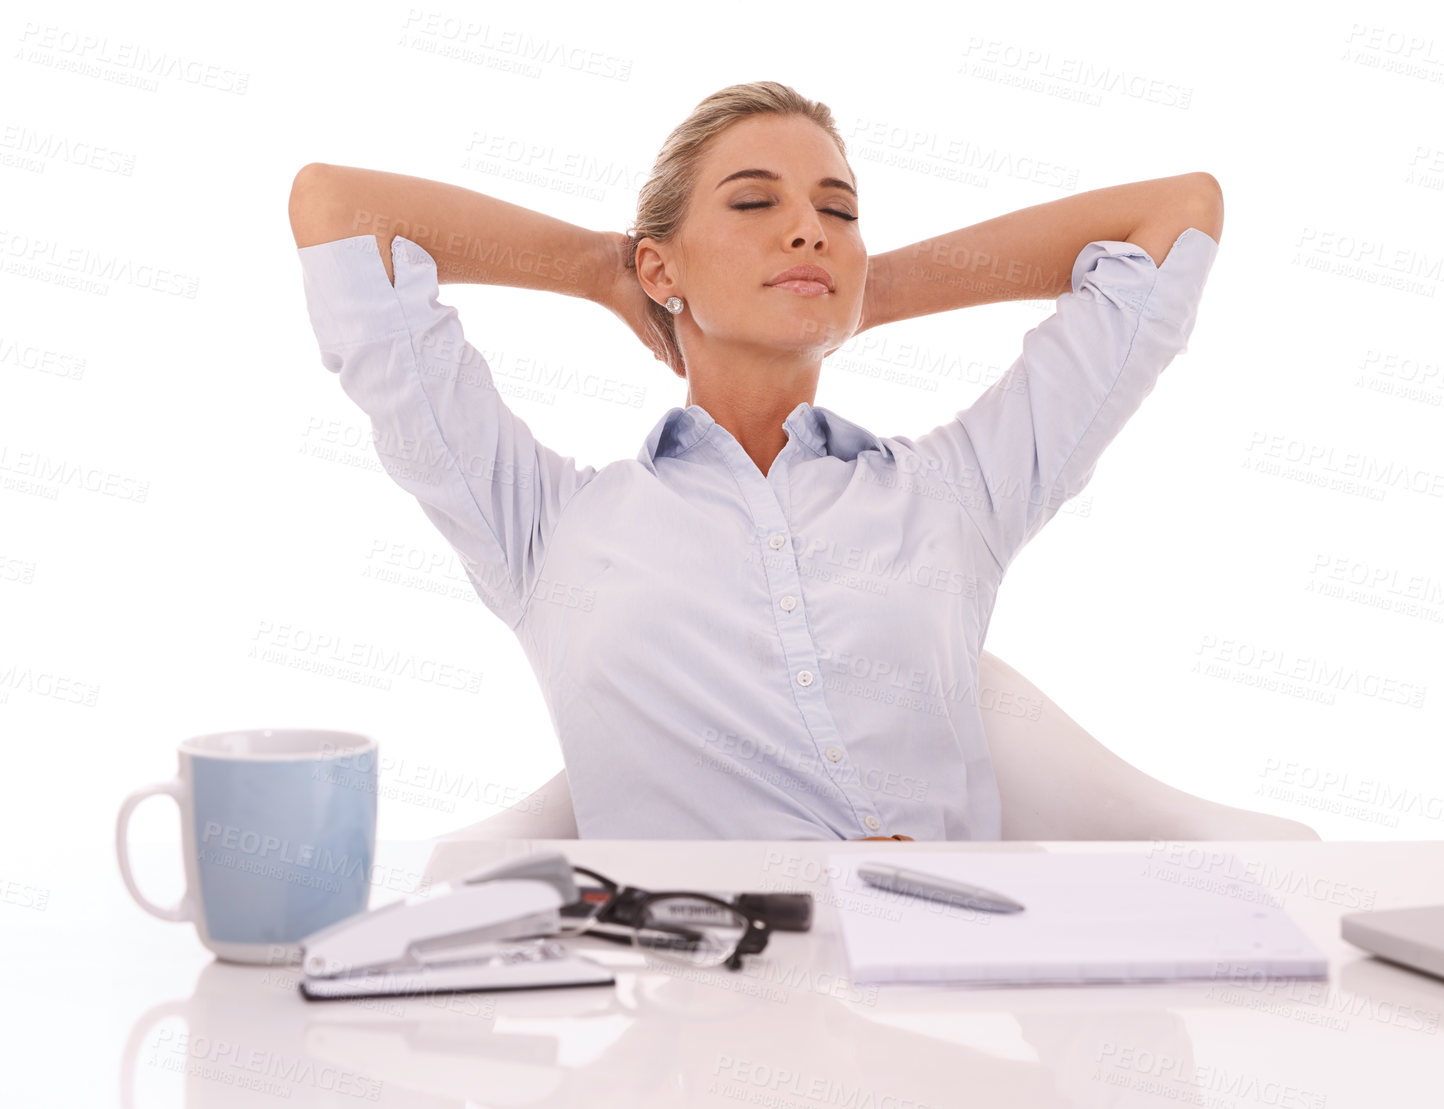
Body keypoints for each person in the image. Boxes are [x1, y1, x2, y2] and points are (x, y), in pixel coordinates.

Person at [287, 80, 1223, 841]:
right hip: (687, 1024)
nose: (810, 228)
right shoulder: (543, 524)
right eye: (753, 202)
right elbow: (337, 211)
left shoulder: (956, 493)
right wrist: (600, 268)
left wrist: (863, 292)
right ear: (663, 270)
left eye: (838, 210)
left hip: (935, 1014)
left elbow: (1178, 216)